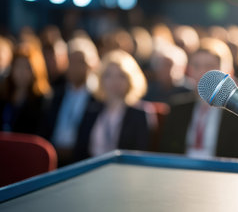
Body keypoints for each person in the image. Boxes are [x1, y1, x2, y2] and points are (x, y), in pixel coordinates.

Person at [159, 37, 238, 159]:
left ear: (229, 72)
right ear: (189, 71)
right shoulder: (177, 107)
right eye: (196, 66)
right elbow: (165, 153)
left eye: (210, 66)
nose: (202, 72)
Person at [73, 49, 154, 161]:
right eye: (108, 75)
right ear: (101, 78)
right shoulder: (91, 110)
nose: (114, 81)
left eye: (121, 75)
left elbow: (140, 153)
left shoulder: (140, 113)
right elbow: (79, 150)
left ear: (130, 79)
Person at [39, 35, 100, 166]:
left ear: (92, 64)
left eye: (81, 61)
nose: (75, 67)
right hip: (53, 159)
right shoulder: (56, 93)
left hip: (80, 162)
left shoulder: (98, 98)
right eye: (71, 61)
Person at [0, 42, 51, 134]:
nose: (21, 72)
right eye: (18, 66)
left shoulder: (42, 101)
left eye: (27, 67)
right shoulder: (4, 95)